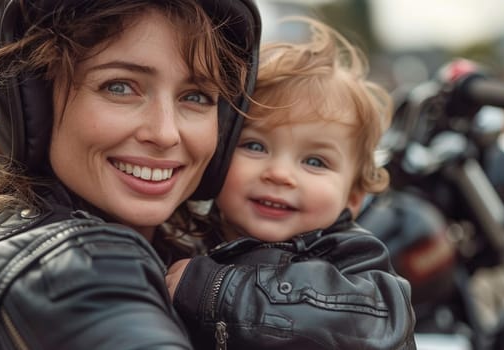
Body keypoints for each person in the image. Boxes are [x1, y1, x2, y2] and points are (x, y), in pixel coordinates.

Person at [0, 0, 261, 349]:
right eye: (120, 87)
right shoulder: (65, 271)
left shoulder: (187, 255)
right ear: (34, 104)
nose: (166, 133)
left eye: (195, 96)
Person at [165, 17, 417, 349]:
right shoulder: (188, 239)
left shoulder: (352, 257)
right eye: (255, 146)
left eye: (315, 162)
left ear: (353, 197)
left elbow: (371, 324)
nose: (280, 174)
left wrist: (217, 290)